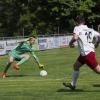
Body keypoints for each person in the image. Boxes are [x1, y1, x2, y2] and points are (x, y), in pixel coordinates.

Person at [63, 15, 100, 90]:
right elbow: (99, 36)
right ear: (84, 21)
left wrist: (70, 43)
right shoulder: (90, 29)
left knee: (98, 71)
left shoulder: (77, 28)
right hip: (86, 54)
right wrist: (96, 44)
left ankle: (73, 84)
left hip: (87, 54)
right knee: (76, 66)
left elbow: (75, 37)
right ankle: (72, 85)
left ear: (77, 22)